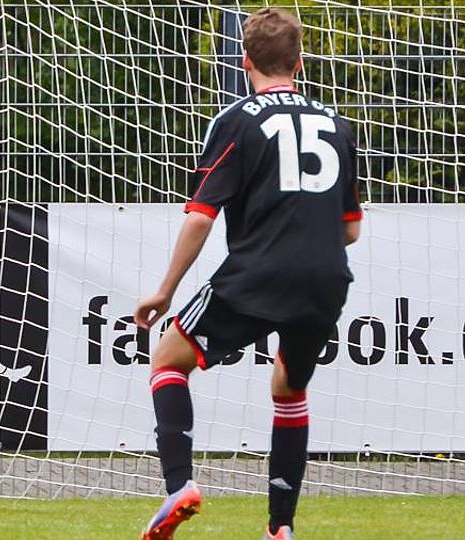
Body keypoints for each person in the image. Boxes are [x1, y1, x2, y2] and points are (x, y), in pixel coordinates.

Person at [135, 8, 362, 540]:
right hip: (327, 277)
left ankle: (179, 487)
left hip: (258, 272)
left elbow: (201, 216)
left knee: (168, 359)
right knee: (289, 387)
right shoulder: (337, 125)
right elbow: (351, 230)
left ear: (245, 62)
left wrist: (165, 290)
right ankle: (280, 528)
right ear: (300, 62)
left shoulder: (236, 120)